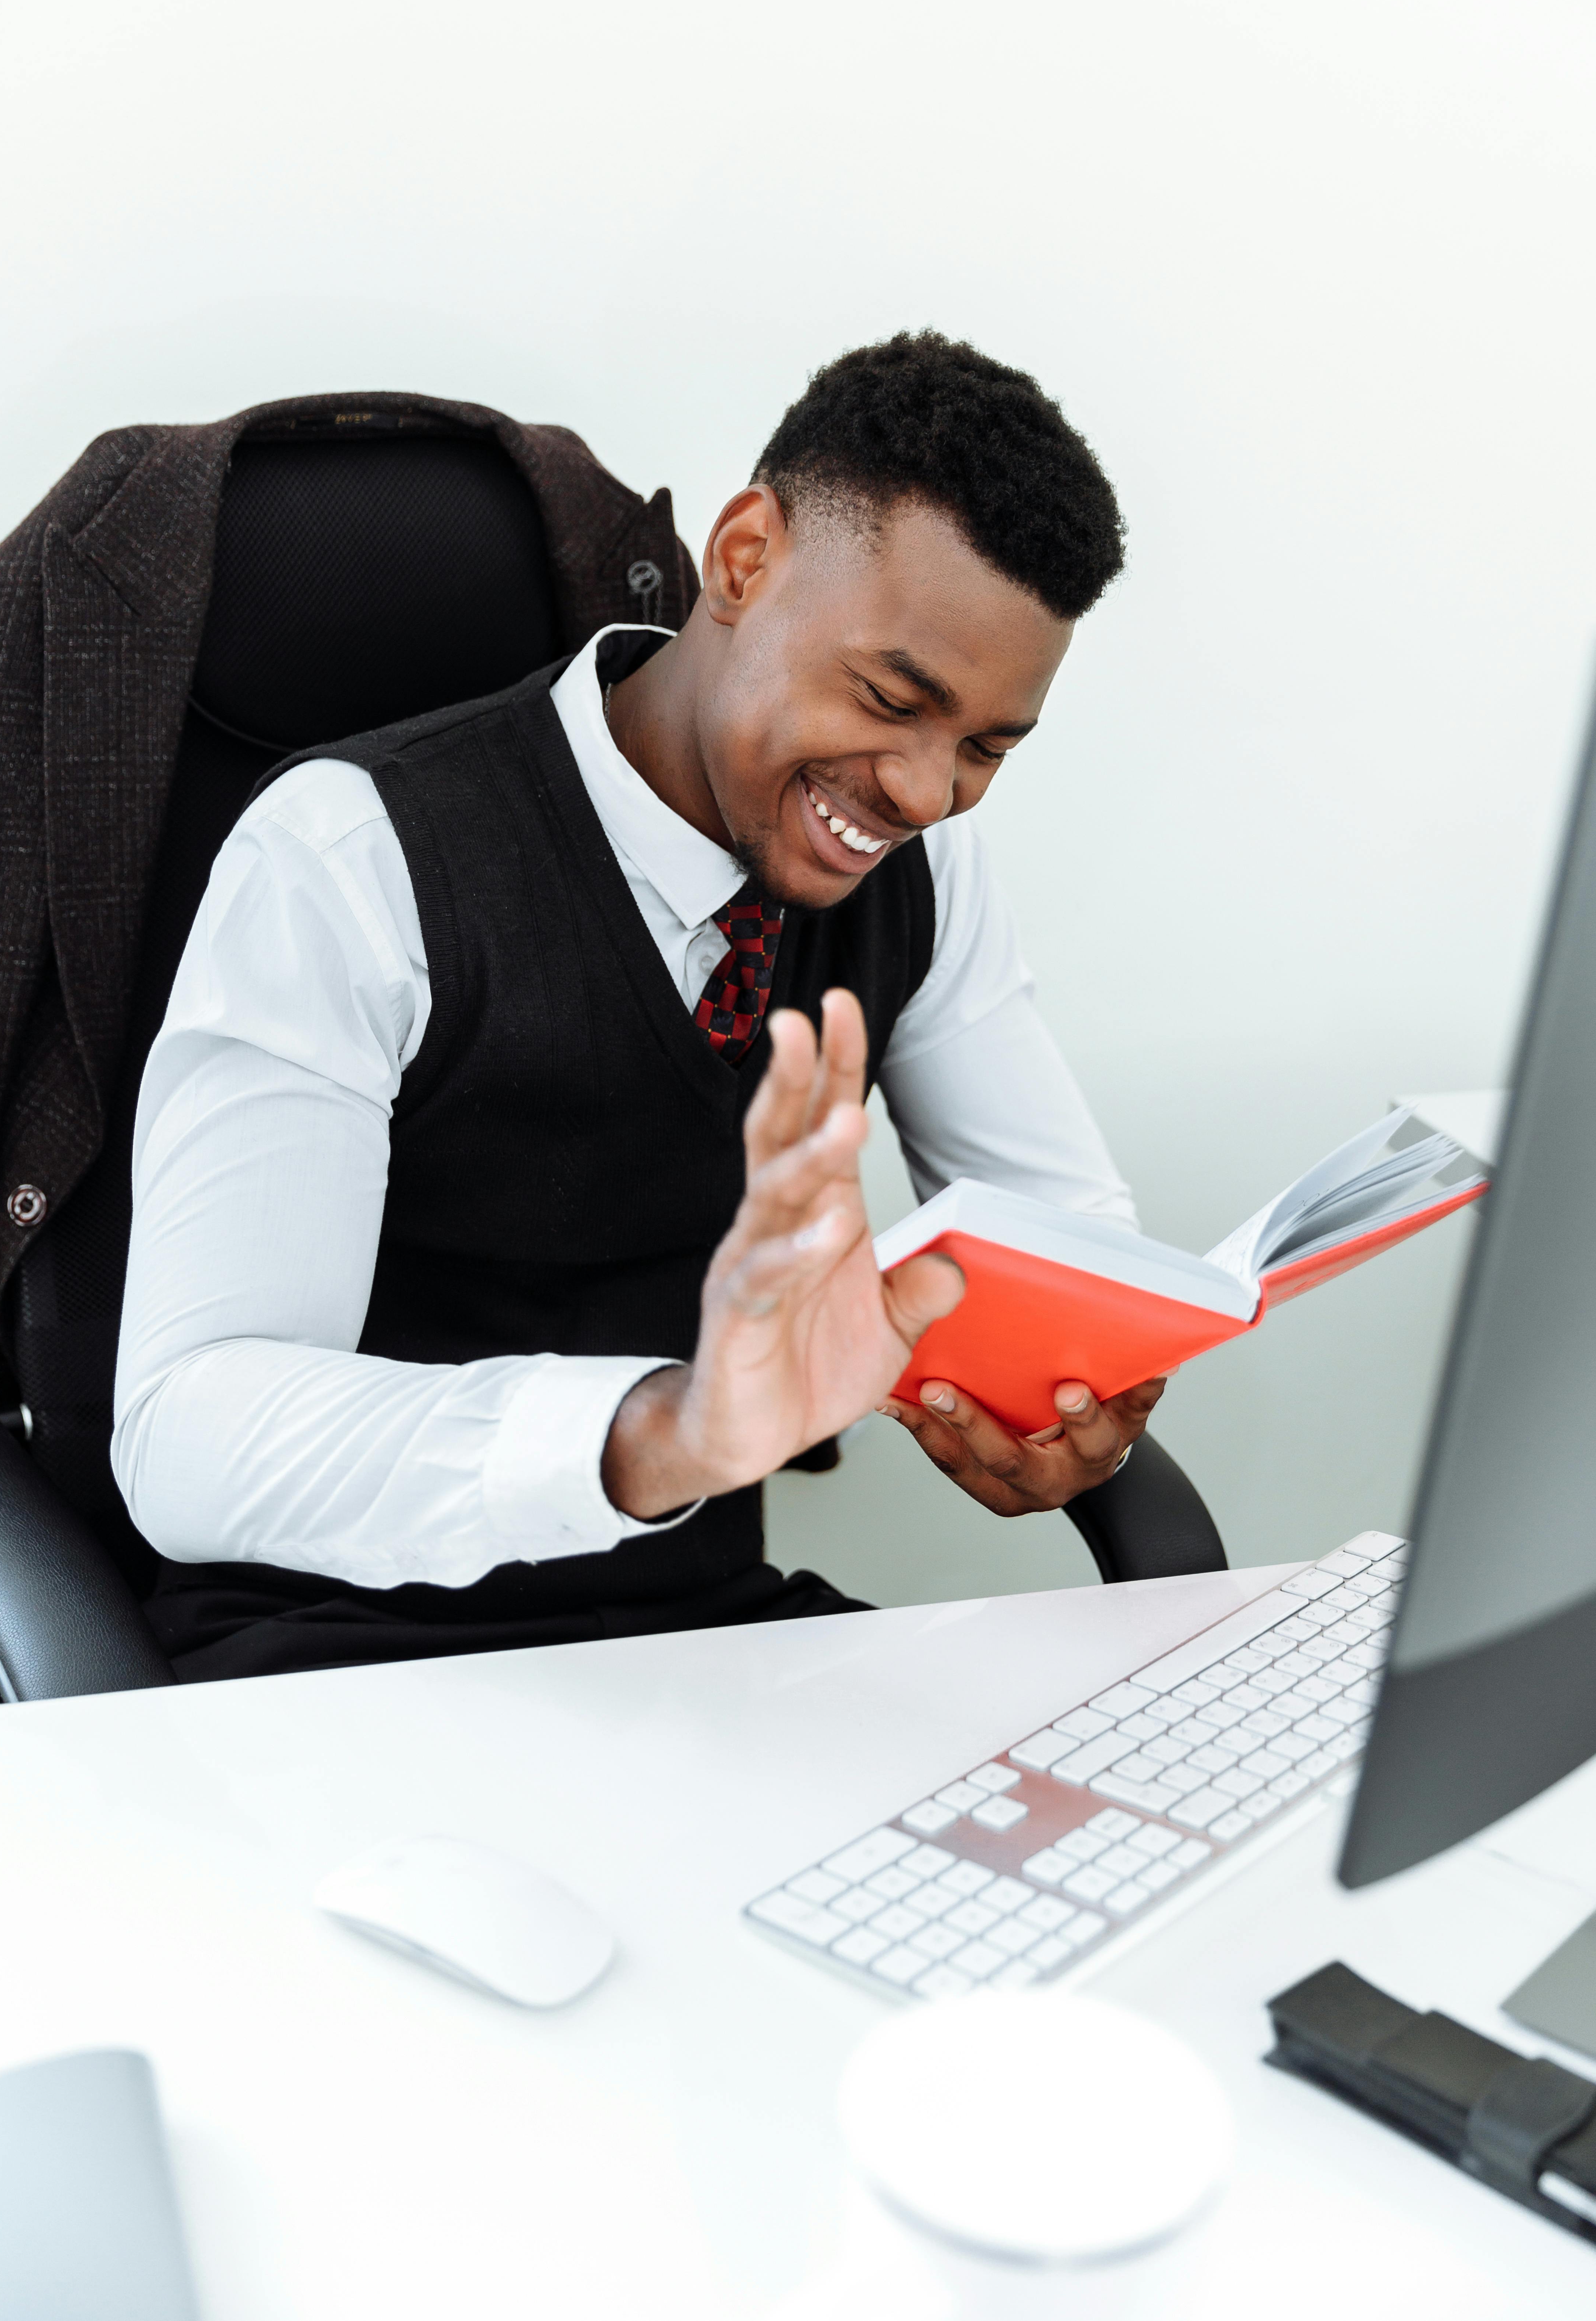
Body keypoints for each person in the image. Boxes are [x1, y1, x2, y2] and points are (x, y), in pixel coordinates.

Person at [112, 332, 1165, 1679]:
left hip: (705, 1645)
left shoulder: (925, 873)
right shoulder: (347, 856)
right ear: (743, 558)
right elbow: (191, 1435)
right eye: (890, 700)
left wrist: (1069, 1396)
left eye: (983, 747)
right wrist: (661, 1429)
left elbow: (1063, 1237)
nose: (921, 791)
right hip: (350, 1667)